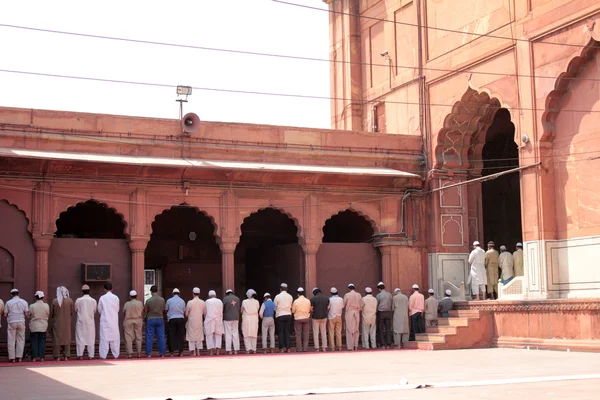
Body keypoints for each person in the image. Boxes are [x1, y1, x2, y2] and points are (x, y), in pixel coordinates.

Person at [5, 288, 28, 362]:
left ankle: (12, 358)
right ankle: (19, 357)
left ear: (11, 295)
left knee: (11, 339)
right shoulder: (24, 302)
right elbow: (26, 313)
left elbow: (5, 314)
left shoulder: (8, 302)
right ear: (18, 294)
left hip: (12, 321)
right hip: (21, 321)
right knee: (21, 339)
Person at [98, 282, 120, 359]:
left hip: (105, 320)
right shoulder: (116, 298)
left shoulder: (102, 298)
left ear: (104, 289)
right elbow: (117, 309)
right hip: (114, 320)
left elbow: (99, 310)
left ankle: (103, 355)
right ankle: (116, 354)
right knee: (115, 338)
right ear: (112, 289)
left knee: (104, 338)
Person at [51, 286, 74, 361]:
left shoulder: (55, 301)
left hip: (57, 323)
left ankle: (57, 356)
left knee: (57, 339)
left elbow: (52, 313)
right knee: (66, 339)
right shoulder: (70, 301)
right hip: (67, 323)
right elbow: (71, 312)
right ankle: (66, 356)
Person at [74, 284, 97, 360]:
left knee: (80, 337)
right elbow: (94, 310)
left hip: (81, 321)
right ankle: (91, 355)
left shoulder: (78, 300)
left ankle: (80, 355)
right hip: (90, 322)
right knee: (90, 338)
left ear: (82, 291)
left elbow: (76, 309)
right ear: (89, 291)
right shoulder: (93, 301)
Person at [144, 285, 166, 358]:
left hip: (151, 319)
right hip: (160, 318)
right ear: (157, 291)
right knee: (161, 337)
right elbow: (163, 309)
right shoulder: (162, 300)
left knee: (150, 337)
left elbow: (145, 311)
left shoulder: (148, 300)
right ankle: (162, 353)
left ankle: (149, 353)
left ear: (151, 292)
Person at [185, 287, 207, 356]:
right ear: (199, 293)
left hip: (191, 322)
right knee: (199, 336)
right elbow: (205, 313)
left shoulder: (190, 302)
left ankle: (193, 352)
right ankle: (198, 351)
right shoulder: (202, 302)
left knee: (191, 336)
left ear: (193, 293)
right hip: (199, 321)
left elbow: (186, 314)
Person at [29, 291, 49, 362]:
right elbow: (48, 314)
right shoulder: (46, 305)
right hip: (43, 325)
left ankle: (34, 357)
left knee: (34, 341)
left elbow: (29, 315)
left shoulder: (32, 306)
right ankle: (42, 357)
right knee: (42, 341)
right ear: (43, 297)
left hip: (34, 325)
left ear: (36, 297)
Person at [123, 290, 144, 358]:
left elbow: (124, 312)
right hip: (138, 320)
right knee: (138, 337)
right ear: (136, 296)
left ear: (130, 296)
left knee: (128, 337)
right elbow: (142, 311)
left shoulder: (127, 304)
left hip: (129, 320)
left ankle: (129, 354)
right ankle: (139, 353)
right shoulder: (140, 303)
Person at [165, 288, 186, 357]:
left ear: (173, 293)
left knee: (171, 335)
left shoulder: (169, 300)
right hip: (180, 318)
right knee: (180, 335)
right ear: (179, 294)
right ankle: (181, 352)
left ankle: (172, 352)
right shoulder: (182, 301)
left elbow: (166, 310)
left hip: (172, 319)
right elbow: (184, 311)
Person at [274, 283, 293, 353]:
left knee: (281, 332)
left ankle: (282, 348)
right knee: (287, 331)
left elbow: (275, 307)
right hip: (288, 314)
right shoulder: (290, 296)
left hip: (280, 315)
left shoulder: (277, 297)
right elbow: (291, 306)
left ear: (280, 289)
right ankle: (288, 348)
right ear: (287, 289)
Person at [309, 287, 329, 352]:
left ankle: (317, 348)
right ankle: (324, 347)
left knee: (316, 333)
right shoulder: (326, 298)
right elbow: (328, 308)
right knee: (323, 332)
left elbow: (311, 309)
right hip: (324, 317)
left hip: (315, 317)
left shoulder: (312, 299)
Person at [343, 283, 362, 351]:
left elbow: (343, 305)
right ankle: (356, 346)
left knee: (349, 329)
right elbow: (361, 305)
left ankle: (350, 347)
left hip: (349, 313)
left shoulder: (347, 295)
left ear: (349, 288)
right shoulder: (359, 295)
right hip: (357, 312)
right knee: (356, 329)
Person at [205, 290, 224, 355]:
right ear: (215, 295)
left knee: (209, 335)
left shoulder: (207, 301)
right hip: (218, 319)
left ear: (209, 295)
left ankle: (211, 351)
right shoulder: (220, 301)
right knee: (218, 335)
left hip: (209, 319)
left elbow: (205, 312)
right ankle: (217, 351)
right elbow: (221, 310)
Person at [222, 289, 241, 355]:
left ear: (227, 293)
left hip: (227, 318)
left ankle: (229, 350)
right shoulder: (237, 299)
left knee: (228, 334)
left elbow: (223, 309)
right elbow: (238, 308)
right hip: (236, 318)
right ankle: (236, 350)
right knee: (235, 333)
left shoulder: (225, 299)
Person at [292, 287, 311, 352]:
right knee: (306, 334)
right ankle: (305, 348)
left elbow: (293, 311)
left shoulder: (296, 301)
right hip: (306, 318)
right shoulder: (308, 301)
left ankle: (299, 349)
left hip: (298, 319)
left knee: (298, 334)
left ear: (298, 294)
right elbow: (309, 310)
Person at [241, 289, 260, 354]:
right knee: (254, 334)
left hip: (246, 318)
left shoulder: (244, 301)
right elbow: (257, 309)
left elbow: (242, 310)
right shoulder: (256, 302)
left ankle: (248, 349)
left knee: (246, 334)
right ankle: (254, 349)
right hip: (254, 318)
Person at [375, 282, 393, 349]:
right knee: (388, 329)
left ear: (379, 288)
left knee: (381, 329)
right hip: (388, 312)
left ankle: (382, 344)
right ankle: (388, 343)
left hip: (381, 313)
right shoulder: (389, 295)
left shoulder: (378, 295)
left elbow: (376, 304)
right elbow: (391, 303)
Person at [328, 287, 343, 351]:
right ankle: (339, 346)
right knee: (338, 332)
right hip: (339, 316)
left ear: (331, 293)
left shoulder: (330, 299)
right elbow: (342, 307)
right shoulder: (341, 299)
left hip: (331, 316)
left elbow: (328, 308)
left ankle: (332, 347)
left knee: (331, 332)